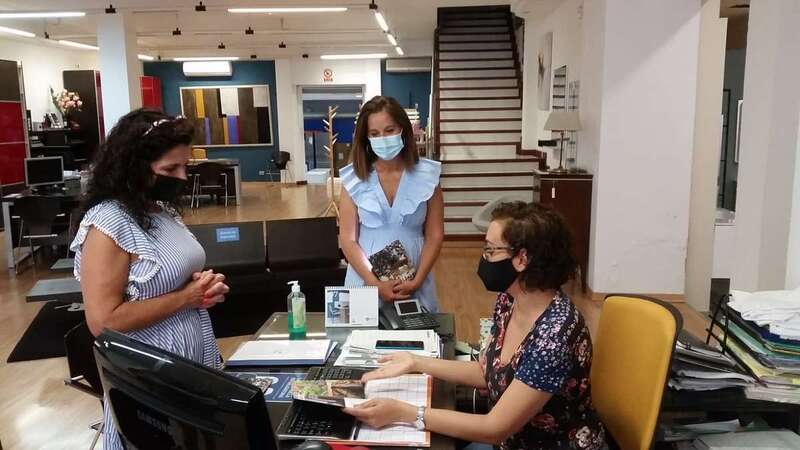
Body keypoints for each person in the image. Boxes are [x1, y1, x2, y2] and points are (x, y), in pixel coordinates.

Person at [343, 202, 606, 450]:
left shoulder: (554, 336)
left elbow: (494, 429)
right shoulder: (510, 300)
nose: (484, 258)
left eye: (491, 250)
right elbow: (489, 372)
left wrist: (405, 413)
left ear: (522, 259)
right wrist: (415, 362)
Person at [70, 109, 229, 449]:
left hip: (189, 369)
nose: (182, 177)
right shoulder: (108, 224)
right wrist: (186, 297)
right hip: (146, 380)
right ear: (135, 166)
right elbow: (103, 321)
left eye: (185, 166)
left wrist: (203, 288)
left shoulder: (160, 210)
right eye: (170, 170)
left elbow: (168, 278)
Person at [339, 95, 444, 312]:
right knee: (359, 333)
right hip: (364, 279)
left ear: (403, 129)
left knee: (418, 331)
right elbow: (348, 239)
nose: (383, 139)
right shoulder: (354, 178)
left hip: (414, 278)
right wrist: (374, 284)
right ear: (366, 138)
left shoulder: (428, 176)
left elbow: (435, 235)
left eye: (389, 130)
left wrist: (417, 280)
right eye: (374, 134)